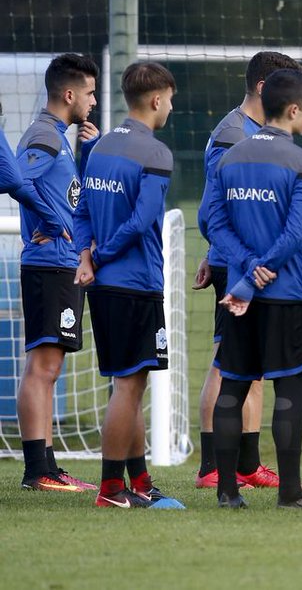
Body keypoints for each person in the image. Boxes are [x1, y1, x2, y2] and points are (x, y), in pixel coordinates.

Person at [207, 68, 302, 509]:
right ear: (294, 109)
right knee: (289, 389)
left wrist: (244, 268)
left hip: (240, 294)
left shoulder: (230, 157)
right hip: (286, 293)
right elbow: (294, 233)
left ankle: (227, 493)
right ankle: (291, 493)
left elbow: (212, 222)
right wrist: (259, 270)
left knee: (233, 387)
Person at [193, 51, 301, 490]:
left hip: (249, 264)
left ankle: (247, 464)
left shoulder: (254, 132)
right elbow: (215, 208)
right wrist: (222, 255)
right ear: (263, 87)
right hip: (238, 267)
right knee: (227, 366)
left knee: (251, 368)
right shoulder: (232, 135)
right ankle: (209, 466)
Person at [73, 62, 178, 508]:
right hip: (133, 281)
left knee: (128, 381)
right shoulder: (155, 153)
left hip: (102, 283)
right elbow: (139, 222)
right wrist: (99, 255)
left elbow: (79, 212)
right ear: (156, 100)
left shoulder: (99, 147)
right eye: (170, 99)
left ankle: (140, 482)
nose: (171, 107)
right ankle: (112, 490)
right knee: (129, 386)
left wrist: (85, 257)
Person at [15, 53, 101, 492]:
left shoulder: (60, 138)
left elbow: (65, 192)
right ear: (69, 94)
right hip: (49, 265)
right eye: (88, 92)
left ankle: (47, 465)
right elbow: (18, 179)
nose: (93, 100)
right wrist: (50, 224)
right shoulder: (44, 136)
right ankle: (36, 470)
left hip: (61, 265)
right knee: (42, 366)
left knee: (49, 367)